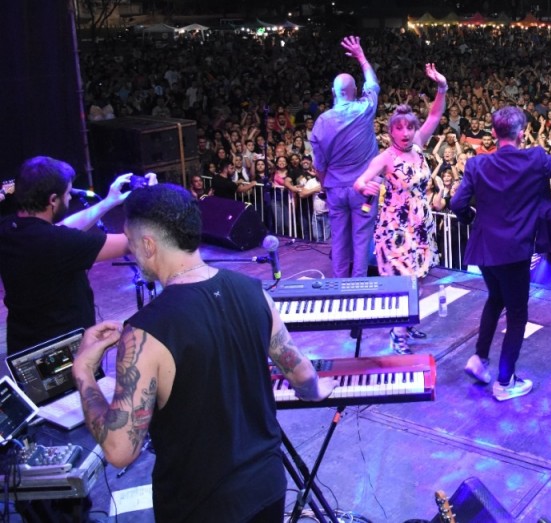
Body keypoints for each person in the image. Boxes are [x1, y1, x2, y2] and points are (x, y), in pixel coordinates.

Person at [71, 184, 328, 522]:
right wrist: (317, 390)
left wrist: (83, 371)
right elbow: (302, 374)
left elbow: (120, 450)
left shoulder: (145, 332)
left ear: (148, 245)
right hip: (266, 489)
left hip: (200, 505)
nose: (130, 252)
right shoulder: (254, 292)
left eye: (131, 243)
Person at [452, 107, 551, 401]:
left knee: (495, 298)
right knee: (517, 314)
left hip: (485, 248)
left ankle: (479, 359)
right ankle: (505, 382)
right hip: (514, 251)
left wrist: (472, 218)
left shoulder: (477, 164)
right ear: (522, 134)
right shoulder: (535, 159)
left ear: (493, 133)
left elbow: (457, 204)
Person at [0, 157, 140, 353]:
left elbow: (62, 228)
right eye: (67, 194)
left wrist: (108, 202)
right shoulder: (58, 243)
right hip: (66, 353)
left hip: (24, 348)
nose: (69, 199)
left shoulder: (9, 229)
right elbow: (134, 241)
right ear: (52, 200)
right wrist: (150, 199)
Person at [354, 63, 447, 354]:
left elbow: (435, 115)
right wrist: (364, 187)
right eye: (399, 127)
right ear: (390, 131)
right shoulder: (385, 158)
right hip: (395, 230)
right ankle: (398, 335)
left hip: (420, 226)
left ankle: (406, 323)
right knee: (402, 283)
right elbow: (360, 181)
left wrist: (441, 87)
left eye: (410, 127)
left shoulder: (418, 146)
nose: (405, 132)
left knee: (418, 280)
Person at [310, 36, 381, 278]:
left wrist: (326, 186)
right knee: (361, 239)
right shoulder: (365, 108)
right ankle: (357, 284)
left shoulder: (321, 122)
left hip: (335, 190)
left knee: (339, 240)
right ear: (355, 92)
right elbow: (373, 83)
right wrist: (361, 57)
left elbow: (319, 165)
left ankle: (339, 285)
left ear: (333, 92)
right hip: (364, 189)